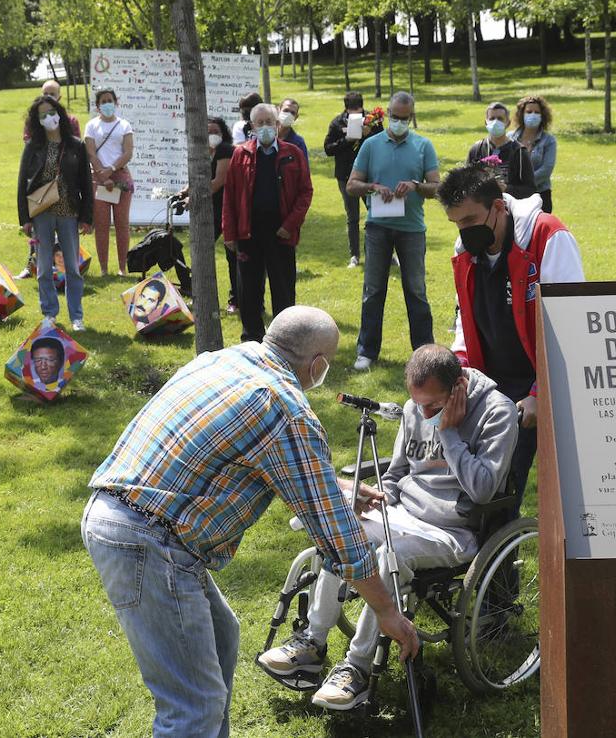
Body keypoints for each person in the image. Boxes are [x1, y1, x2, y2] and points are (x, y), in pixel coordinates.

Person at [82, 305, 419, 737]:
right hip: (150, 541)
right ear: (317, 364)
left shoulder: (224, 360)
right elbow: (339, 537)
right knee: (192, 706)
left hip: (116, 514)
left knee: (223, 637)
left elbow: (253, 454)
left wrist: (334, 486)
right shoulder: (286, 409)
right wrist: (386, 610)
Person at [260, 343, 519, 711]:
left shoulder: (497, 412)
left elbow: (482, 489)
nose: (424, 413)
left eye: (434, 406)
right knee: (342, 533)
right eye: (419, 405)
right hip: (401, 515)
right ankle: (311, 644)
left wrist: (449, 433)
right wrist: (377, 496)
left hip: (452, 530)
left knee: (388, 557)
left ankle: (356, 668)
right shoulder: (417, 406)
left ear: (459, 385)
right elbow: (398, 472)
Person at [437, 161, 585, 520]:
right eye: (456, 223)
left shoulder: (548, 237)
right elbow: (465, 316)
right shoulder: (465, 249)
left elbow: (570, 325)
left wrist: (538, 393)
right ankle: (497, 571)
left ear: (499, 206)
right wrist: (458, 373)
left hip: (545, 381)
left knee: (556, 496)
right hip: (492, 382)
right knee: (488, 495)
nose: (463, 231)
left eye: (470, 220)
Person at [346, 91, 440, 372]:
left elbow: (436, 187)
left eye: (404, 118)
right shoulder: (371, 145)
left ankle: (424, 353)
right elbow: (351, 185)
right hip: (378, 227)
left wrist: (415, 184)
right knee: (373, 290)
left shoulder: (424, 146)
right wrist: (372, 187)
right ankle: (366, 351)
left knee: (416, 290)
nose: (399, 122)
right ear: (387, 114)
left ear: (411, 116)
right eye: (394, 117)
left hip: (412, 229)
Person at [221, 103, 313, 343]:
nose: (264, 127)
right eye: (259, 123)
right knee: (249, 290)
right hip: (248, 231)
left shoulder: (293, 153)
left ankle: (284, 339)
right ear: (252, 127)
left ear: (277, 125)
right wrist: (229, 232)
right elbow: (229, 195)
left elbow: (305, 193)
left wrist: (290, 225)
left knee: (283, 288)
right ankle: (251, 339)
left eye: (269, 122)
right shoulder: (240, 154)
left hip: (281, 231)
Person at [19, 95, 94, 331]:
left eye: (52, 112)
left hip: (69, 212)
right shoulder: (33, 147)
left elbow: (86, 183)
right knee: (42, 268)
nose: (49, 117)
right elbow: (23, 182)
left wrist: (86, 217)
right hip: (42, 213)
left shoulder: (76, 146)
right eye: (43, 115)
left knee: (72, 267)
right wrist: (25, 219)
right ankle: (49, 313)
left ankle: (76, 317)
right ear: (37, 120)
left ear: (60, 113)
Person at [17, 80, 82, 280]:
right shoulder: (33, 120)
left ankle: (66, 269)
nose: (50, 97)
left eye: (53, 94)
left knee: (66, 234)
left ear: (60, 97)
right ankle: (32, 265)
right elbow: (30, 144)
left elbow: (76, 150)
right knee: (39, 234)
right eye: (46, 93)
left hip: (65, 190)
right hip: (41, 188)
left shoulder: (71, 121)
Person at [178, 116, 237, 313]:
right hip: (209, 210)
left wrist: (193, 198)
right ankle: (200, 297)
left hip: (228, 209)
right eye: (208, 131)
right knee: (201, 253)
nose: (212, 135)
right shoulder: (202, 152)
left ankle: (236, 300)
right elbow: (197, 178)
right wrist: (184, 191)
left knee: (233, 255)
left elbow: (219, 180)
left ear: (223, 134)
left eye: (216, 131)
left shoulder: (225, 150)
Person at [324, 91, 383, 268]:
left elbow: (382, 143)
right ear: (346, 110)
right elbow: (328, 148)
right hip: (345, 175)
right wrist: (348, 139)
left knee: (377, 213)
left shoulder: (373, 120)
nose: (356, 116)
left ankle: (379, 252)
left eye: (359, 112)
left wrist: (367, 134)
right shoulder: (337, 123)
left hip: (369, 175)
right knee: (352, 216)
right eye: (352, 114)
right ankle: (354, 256)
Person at [85, 88, 134, 276]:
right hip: (98, 179)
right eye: (103, 101)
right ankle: (104, 269)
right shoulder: (91, 126)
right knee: (102, 225)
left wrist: (111, 170)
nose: (107, 104)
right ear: (98, 106)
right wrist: (102, 175)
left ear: (116, 102)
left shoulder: (124, 125)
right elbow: (90, 152)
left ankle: (123, 268)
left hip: (120, 177)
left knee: (122, 224)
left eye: (110, 100)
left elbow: (128, 152)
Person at [466, 102, 535, 200]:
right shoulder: (477, 149)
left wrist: (506, 189)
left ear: (508, 123)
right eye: (492, 118)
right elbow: (465, 183)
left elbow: (530, 189)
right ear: (486, 122)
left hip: (510, 209)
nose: (495, 122)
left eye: (500, 119)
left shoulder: (519, 152)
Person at [509, 95, 558, 213]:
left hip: (540, 195)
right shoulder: (509, 138)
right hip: (513, 197)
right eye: (529, 111)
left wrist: (524, 186)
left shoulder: (549, 140)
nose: (532, 115)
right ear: (522, 114)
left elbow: (546, 170)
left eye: (537, 112)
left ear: (542, 116)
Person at [276, 98, 310, 167]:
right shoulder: (267, 137)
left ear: (296, 117)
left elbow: (304, 169)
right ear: (278, 110)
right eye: (286, 110)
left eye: (292, 113)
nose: (288, 115)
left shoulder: (298, 143)